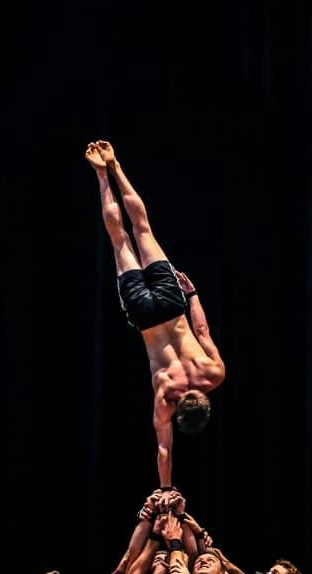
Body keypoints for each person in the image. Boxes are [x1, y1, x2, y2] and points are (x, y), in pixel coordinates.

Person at [85, 139, 224, 487]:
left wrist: (191, 294)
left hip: (173, 307)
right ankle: (102, 176)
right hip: (145, 317)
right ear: (182, 411)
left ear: (205, 401)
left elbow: (203, 331)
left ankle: (115, 166)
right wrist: (166, 489)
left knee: (142, 229)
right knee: (120, 241)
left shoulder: (213, 375)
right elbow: (164, 449)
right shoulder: (165, 396)